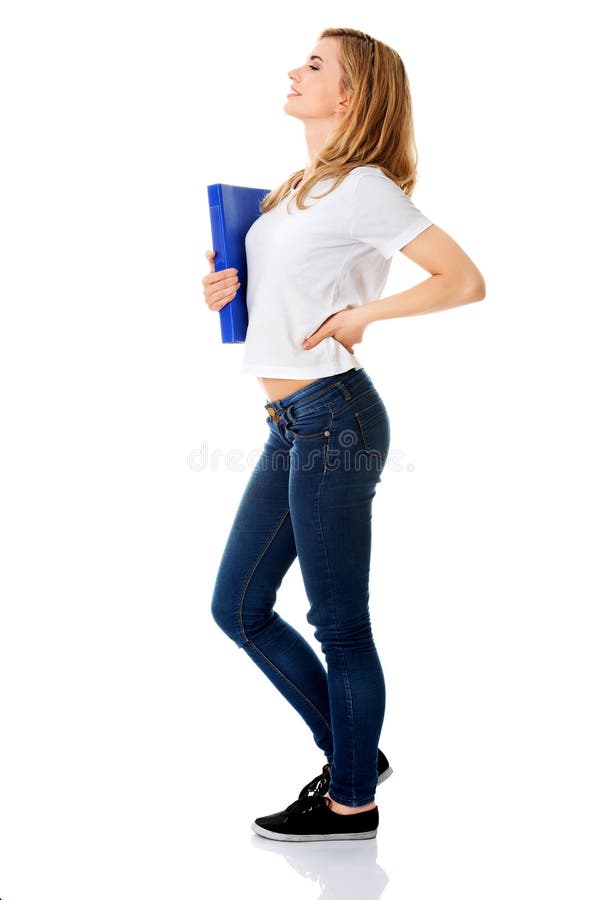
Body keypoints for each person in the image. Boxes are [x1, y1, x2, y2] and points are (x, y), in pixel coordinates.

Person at [203, 27, 485, 842]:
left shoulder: (364, 186)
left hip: (335, 416)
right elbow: (283, 297)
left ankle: (350, 800)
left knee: (339, 624)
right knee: (240, 607)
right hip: (291, 420)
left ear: (351, 97)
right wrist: (225, 290)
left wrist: (363, 315)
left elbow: (462, 280)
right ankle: (354, 750)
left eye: (315, 65)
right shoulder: (298, 186)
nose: (295, 70)